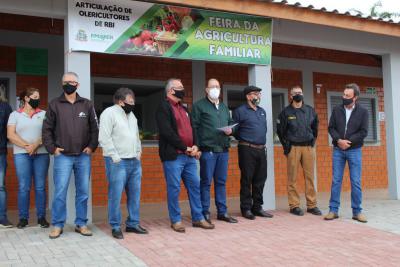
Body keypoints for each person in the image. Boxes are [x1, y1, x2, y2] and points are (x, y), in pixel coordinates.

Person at [42, 72, 99, 238]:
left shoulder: (87, 105)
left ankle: (81, 223)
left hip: (83, 155)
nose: (70, 84)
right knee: (60, 192)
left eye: (73, 82)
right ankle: (58, 224)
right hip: (63, 156)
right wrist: (52, 149)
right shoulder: (54, 104)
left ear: (78, 85)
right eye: (67, 82)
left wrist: (91, 146)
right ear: (62, 84)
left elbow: (95, 128)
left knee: (83, 192)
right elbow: (46, 130)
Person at [156, 78, 214, 233]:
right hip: (174, 156)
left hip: (189, 156)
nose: (183, 89)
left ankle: (198, 218)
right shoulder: (163, 107)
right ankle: (176, 220)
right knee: (174, 189)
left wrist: (195, 145)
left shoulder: (184, 108)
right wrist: (185, 147)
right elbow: (167, 132)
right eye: (180, 87)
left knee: (195, 186)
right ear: (170, 91)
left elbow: (192, 128)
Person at [99, 88, 147, 239]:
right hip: (117, 162)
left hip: (134, 161)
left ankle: (133, 223)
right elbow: (104, 137)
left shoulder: (131, 115)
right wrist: (115, 157)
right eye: (130, 102)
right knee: (115, 195)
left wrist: (139, 152)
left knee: (135, 195)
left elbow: (136, 136)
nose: (133, 104)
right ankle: (115, 226)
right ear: (121, 102)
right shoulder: (109, 113)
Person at [191, 78, 237, 224]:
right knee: (206, 182)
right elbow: (195, 127)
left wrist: (231, 130)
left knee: (221, 182)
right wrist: (197, 146)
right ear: (206, 89)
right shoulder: (199, 106)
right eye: (212, 86)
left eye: (217, 86)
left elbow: (230, 123)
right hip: (208, 150)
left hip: (223, 149)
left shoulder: (223, 107)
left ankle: (222, 212)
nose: (215, 89)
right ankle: (205, 212)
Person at [325, 83, 368, 223]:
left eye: (347, 96)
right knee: (336, 180)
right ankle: (333, 210)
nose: (344, 97)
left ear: (355, 97)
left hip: (354, 150)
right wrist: (338, 140)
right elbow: (331, 128)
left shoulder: (363, 112)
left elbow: (363, 132)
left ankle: (357, 212)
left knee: (355, 181)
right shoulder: (337, 110)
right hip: (338, 150)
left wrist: (347, 142)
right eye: (343, 95)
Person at [7, 88, 50, 228]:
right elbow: (10, 135)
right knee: (24, 187)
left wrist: (36, 145)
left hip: (41, 154)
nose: (37, 99)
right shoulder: (15, 115)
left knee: (40, 187)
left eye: (38, 96)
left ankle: (41, 217)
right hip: (21, 155)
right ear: (26, 98)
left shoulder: (44, 114)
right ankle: (23, 218)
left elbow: (48, 133)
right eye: (35, 96)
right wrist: (28, 146)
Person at [277, 86, 321, 216]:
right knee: (292, 178)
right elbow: (280, 131)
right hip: (293, 148)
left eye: (300, 93)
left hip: (308, 147)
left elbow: (315, 128)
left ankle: (312, 205)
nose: (298, 95)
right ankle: (294, 205)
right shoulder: (286, 112)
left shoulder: (310, 110)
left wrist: (312, 142)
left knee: (310, 177)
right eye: (295, 93)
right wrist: (287, 147)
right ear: (290, 96)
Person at [233, 85, 273, 220]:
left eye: (259, 94)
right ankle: (246, 208)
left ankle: (257, 207)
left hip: (261, 149)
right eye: (255, 94)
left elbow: (264, 129)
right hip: (247, 149)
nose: (258, 96)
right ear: (248, 96)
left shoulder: (262, 111)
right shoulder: (240, 111)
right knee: (247, 179)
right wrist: (247, 140)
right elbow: (235, 131)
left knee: (260, 179)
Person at [0, 88, 12, 228]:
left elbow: (10, 129)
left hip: (0, 152)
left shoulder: (5, 107)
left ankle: (2, 218)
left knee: (0, 186)